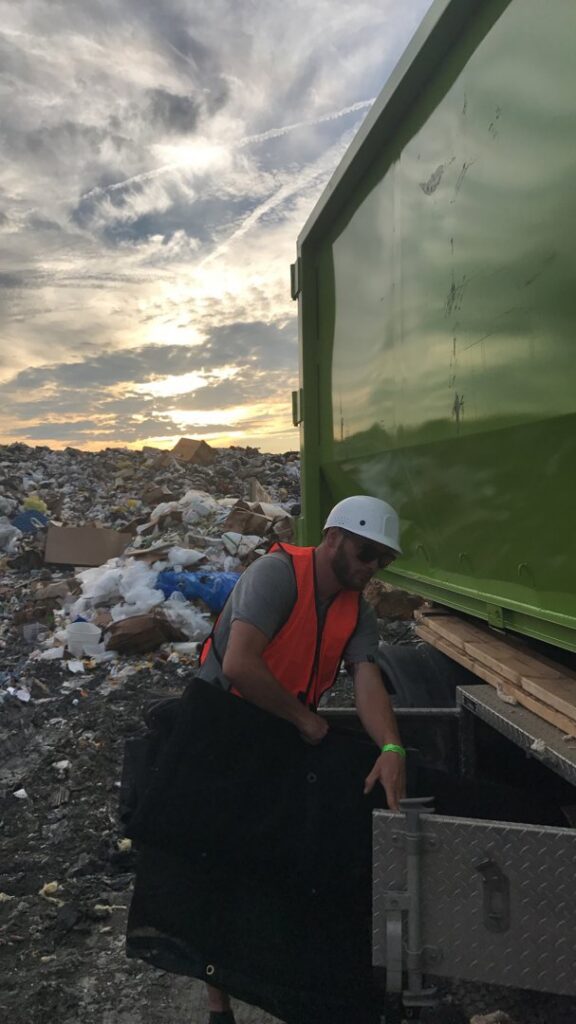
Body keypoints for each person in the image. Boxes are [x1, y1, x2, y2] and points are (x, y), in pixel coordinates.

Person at [126, 495, 406, 1024]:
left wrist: (391, 747)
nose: (372, 569)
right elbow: (239, 664)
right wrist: (305, 721)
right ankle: (217, 1004)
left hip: (277, 729)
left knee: (268, 855)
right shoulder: (276, 576)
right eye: (367, 554)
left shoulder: (355, 608)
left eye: (383, 562)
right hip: (221, 726)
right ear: (333, 539)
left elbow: (367, 678)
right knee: (211, 860)